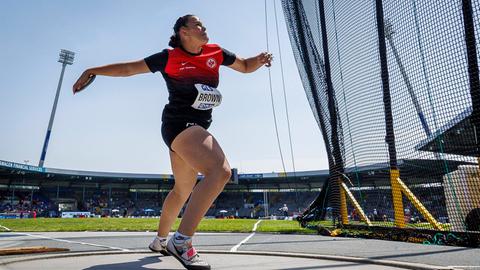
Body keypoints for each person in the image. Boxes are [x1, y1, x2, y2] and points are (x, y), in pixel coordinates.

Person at [73, 14, 272, 270]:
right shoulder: (169, 57)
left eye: (203, 25)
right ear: (183, 32)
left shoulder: (216, 52)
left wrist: (259, 60)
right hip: (178, 124)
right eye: (197, 25)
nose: (203, 28)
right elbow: (127, 69)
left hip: (195, 129)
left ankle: (160, 240)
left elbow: (244, 66)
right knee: (220, 172)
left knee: (182, 190)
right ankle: (182, 241)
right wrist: (92, 70)